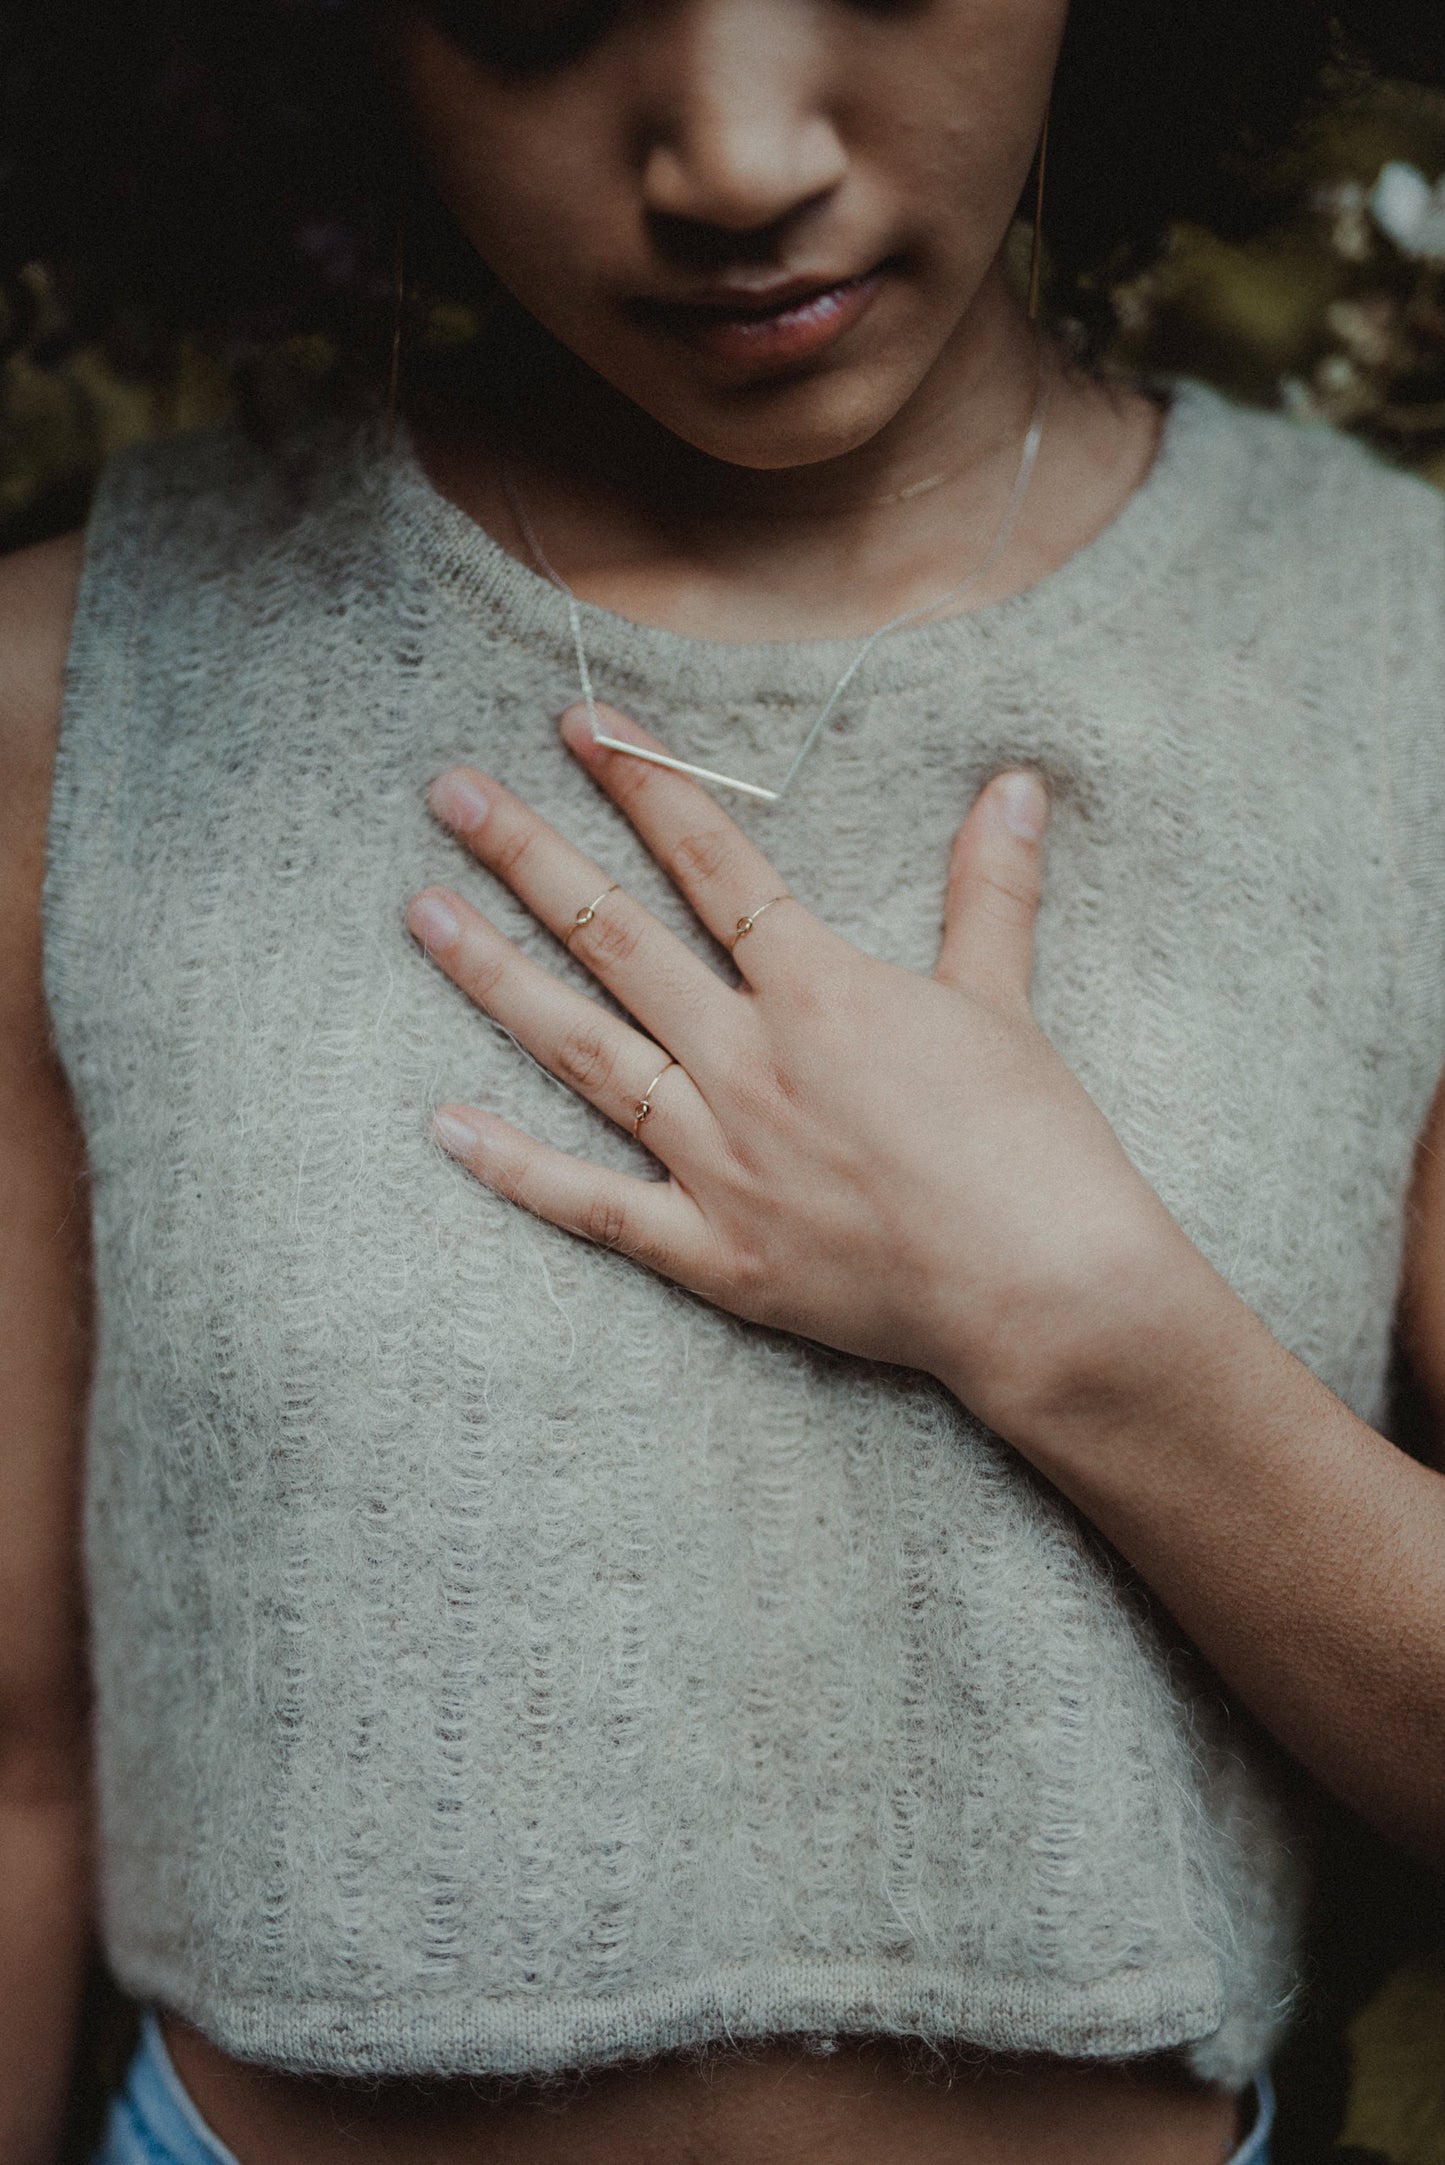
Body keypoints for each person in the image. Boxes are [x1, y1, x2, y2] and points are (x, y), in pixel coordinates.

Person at [0, 3, 1441, 2162]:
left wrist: (1066, 1311)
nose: (737, 155)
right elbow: (16, 1762)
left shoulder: (1392, 660)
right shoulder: (85, 687)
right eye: (530, 5)